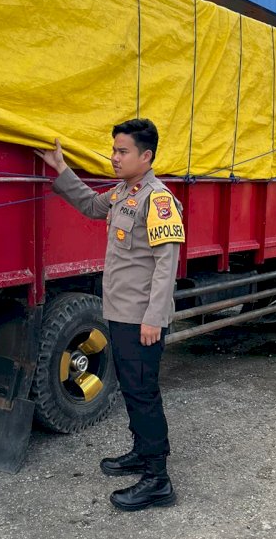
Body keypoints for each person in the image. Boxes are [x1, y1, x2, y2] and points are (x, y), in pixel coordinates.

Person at [36, 118, 183, 512]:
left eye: (122, 151)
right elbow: (88, 204)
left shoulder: (158, 199)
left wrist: (154, 318)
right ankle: (141, 452)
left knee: (143, 392)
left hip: (142, 319)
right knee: (134, 391)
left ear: (146, 155)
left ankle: (158, 479)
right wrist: (61, 168)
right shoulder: (124, 193)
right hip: (121, 313)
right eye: (114, 150)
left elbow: (166, 265)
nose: (114, 158)